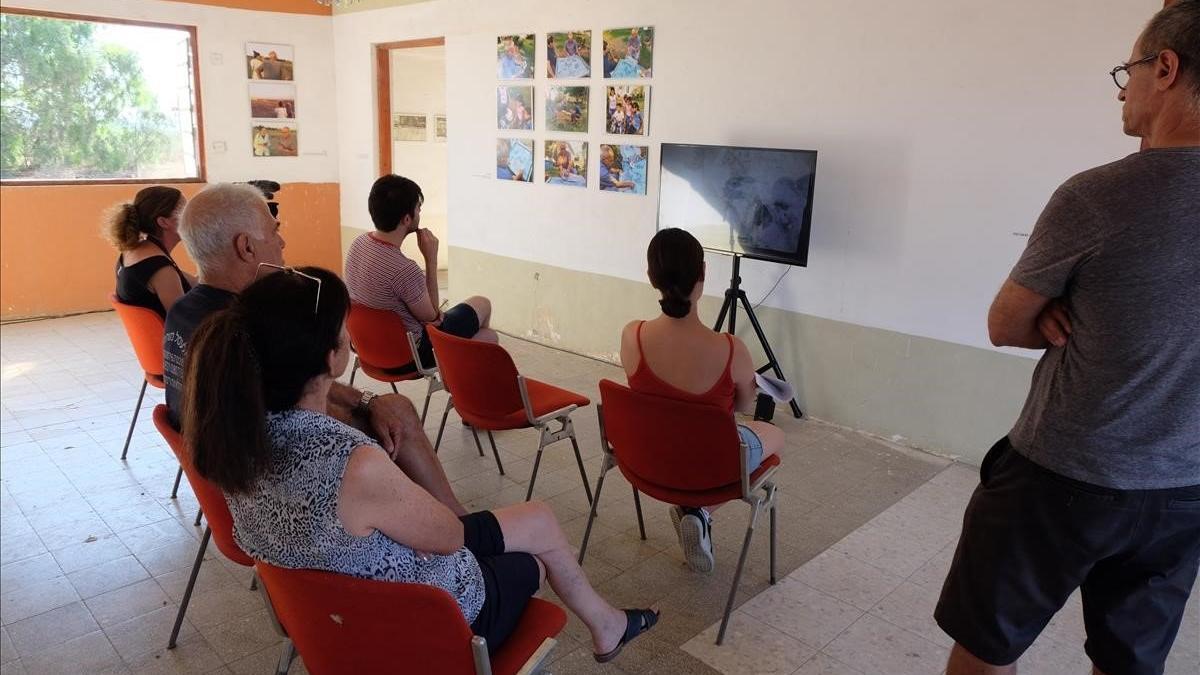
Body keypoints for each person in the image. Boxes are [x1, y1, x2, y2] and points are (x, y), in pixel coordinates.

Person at [182, 267, 658, 661]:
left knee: (528, 526)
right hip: (430, 626)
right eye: (343, 329)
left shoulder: (232, 435)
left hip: (325, 626)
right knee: (536, 548)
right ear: (333, 356)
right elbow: (450, 536)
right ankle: (607, 626)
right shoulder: (352, 464)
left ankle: (608, 623)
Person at [935, 3, 1200, 674]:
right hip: (1184, 489)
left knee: (986, 648)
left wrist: (1054, 310)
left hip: (1063, 477)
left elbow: (1004, 323)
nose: (1122, 87)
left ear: (1165, 69)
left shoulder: (1097, 196)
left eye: (1130, 69)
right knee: (1128, 663)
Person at [163, 183, 469, 516]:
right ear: (246, 247)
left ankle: (440, 519)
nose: (281, 242)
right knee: (399, 415)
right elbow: (298, 413)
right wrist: (369, 413)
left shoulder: (183, 312)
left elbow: (294, 383)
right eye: (274, 231)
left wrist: (366, 401)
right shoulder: (244, 326)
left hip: (222, 473)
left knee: (389, 407)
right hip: (271, 484)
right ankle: (451, 524)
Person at [619, 228, 785, 573]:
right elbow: (738, 409)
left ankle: (695, 512)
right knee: (773, 434)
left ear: (651, 276)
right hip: (709, 469)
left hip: (647, 458)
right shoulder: (730, 349)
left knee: (690, 432)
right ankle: (700, 511)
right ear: (704, 275)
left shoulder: (632, 335)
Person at [344, 175, 498, 373]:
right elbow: (433, 317)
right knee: (485, 317)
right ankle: (458, 381)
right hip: (409, 357)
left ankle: (458, 377)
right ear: (407, 219)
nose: (419, 213)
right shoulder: (404, 270)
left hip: (369, 350)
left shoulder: (358, 243)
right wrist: (431, 259)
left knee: (484, 336)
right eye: (418, 208)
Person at [105, 186, 196, 317]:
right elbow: (184, 321)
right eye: (185, 211)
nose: (191, 217)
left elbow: (193, 283)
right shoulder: (160, 269)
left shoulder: (134, 252)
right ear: (164, 222)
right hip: (175, 335)